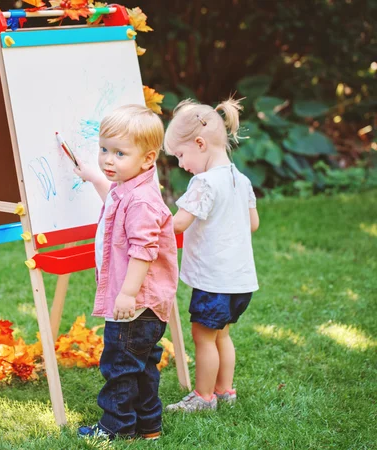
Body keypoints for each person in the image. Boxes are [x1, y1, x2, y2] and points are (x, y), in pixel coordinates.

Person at [74, 104, 178, 440]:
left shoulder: (142, 202)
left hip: (135, 306)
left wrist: (128, 293)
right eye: (104, 149)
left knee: (119, 368)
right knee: (142, 367)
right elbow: (113, 203)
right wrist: (93, 177)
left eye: (119, 153)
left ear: (147, 159)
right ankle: (149, 426)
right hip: (144, 307)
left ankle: (115, 429)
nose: (107, 159)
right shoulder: (128, 190)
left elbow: (143, 252)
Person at [163, 98, 259, 412]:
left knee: (204, 338)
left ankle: (203, 398)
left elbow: (178, 224)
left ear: (200, 143)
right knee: (222, 336)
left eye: (180, 154)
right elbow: (253, 224)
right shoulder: (240, 179)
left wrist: (151, 219)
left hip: (213, 281)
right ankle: (224, 391)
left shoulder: (203, 183)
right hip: (240, 281)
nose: (180, 163)